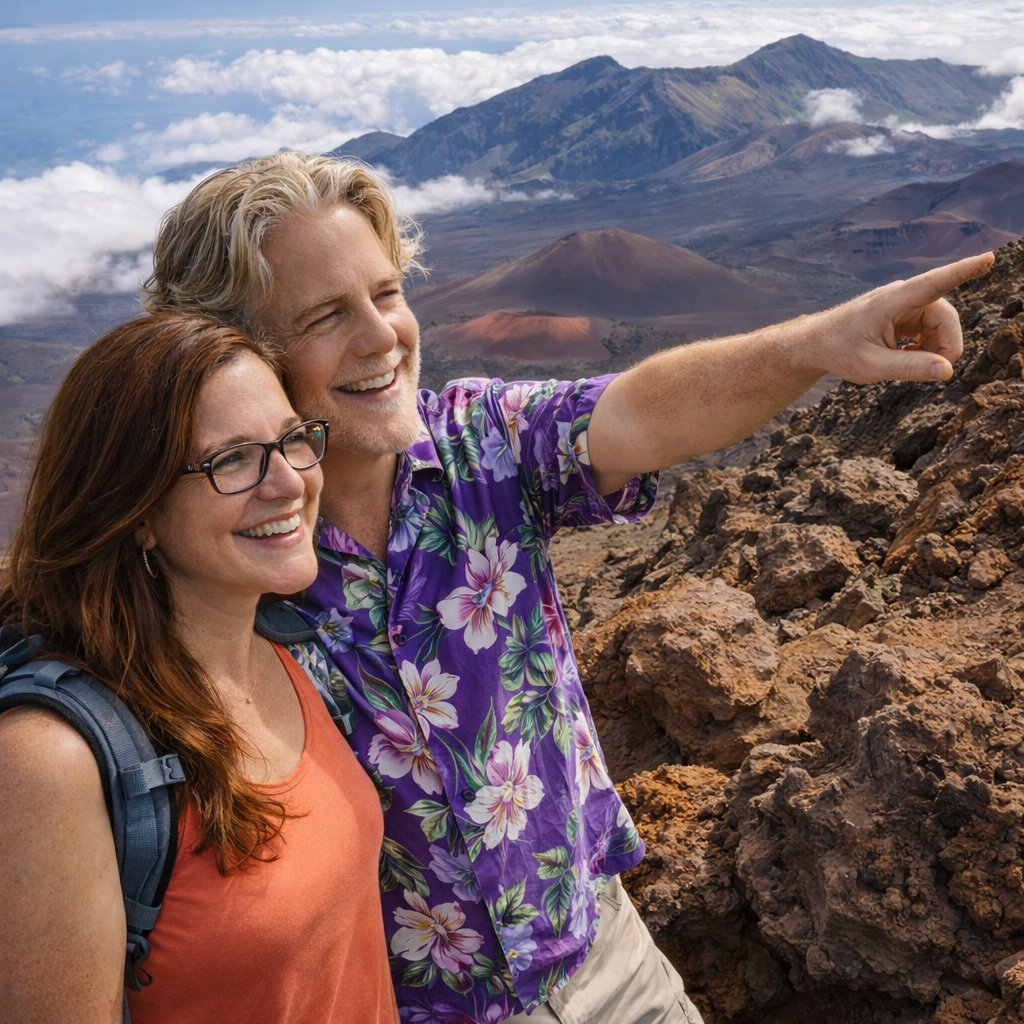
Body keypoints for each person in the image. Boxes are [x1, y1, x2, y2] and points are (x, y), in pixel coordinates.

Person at [142, 152, 994, 1024]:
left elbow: (643, 411)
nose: (380, 337)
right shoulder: (226, 552)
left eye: (387, 294)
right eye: (326, 315)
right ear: (233, 352)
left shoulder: (480, 443)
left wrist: (811, 346)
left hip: (611, 964)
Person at [0, 314, 400, 1024]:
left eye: (292, 439)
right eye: (233, 460)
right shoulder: (49, 761)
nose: (288, 483)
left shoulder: (290, 646)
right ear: (138, 511)